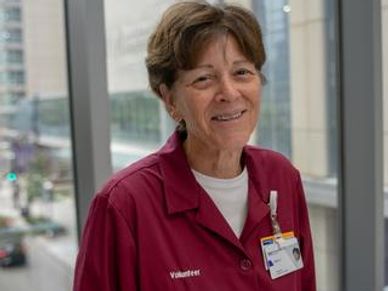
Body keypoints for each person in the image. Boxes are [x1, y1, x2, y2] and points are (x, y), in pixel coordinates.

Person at [73, 1, 316, 290]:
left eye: (241, 73)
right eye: (204, 78)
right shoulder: (125, 204)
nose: (228, 92)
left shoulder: (282, 178)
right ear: (170, 99)